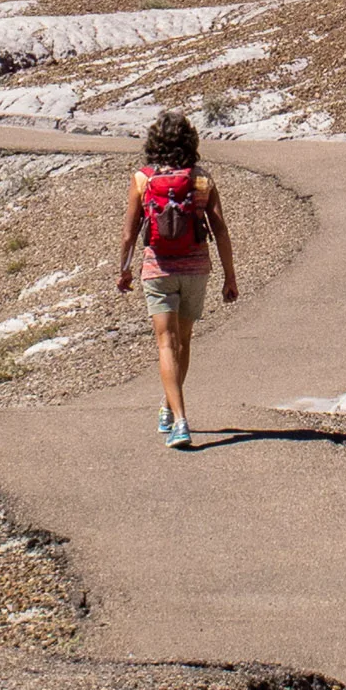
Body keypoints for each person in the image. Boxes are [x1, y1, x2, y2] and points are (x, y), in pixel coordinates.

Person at [113, 108, 238, 448]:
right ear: (189, 142)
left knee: (165, 343)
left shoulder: (142, 179)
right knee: (183, 341)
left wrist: (124, 269)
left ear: (154, 143)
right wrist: (230, 276)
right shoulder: (202, 179)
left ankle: (179, 420)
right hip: (196, 270)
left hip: (158, 270)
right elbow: (220, 231)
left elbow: (128, 234)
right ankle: (169, 408)